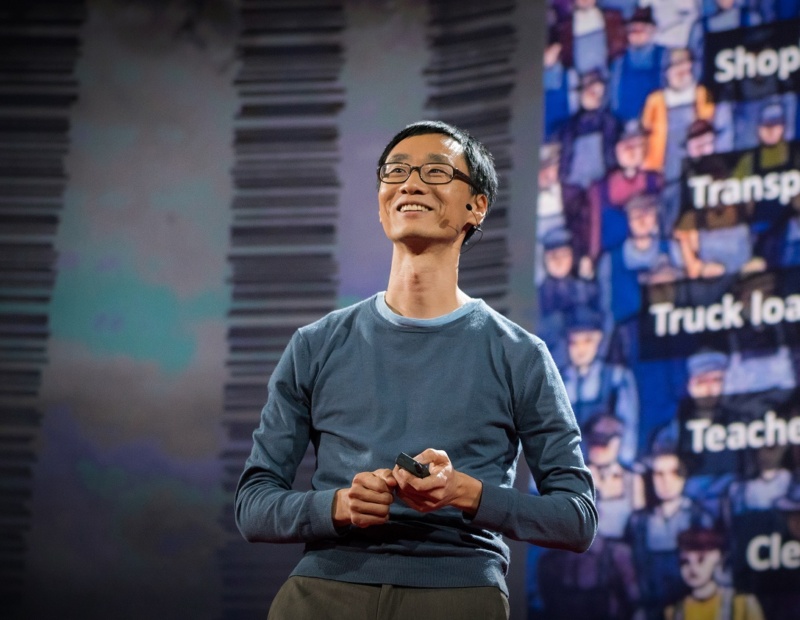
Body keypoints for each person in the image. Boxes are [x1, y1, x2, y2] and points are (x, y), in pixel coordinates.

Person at [234, 120, 597, 619]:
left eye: (435, 171)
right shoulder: (315, 345)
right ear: (383, 201)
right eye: (396, 171)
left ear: (477, 206)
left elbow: (577, 519)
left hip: (459, 593)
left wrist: (467, 494)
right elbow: (253, 506)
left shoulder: (519, 354)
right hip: (320, 593)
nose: (410, 183)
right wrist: (338, 506)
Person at [665, 527, 765, 620]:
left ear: (717, 558)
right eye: (685, 562)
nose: (692, 568)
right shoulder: (673, 612)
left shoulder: (743, 603)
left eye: (701, 560)